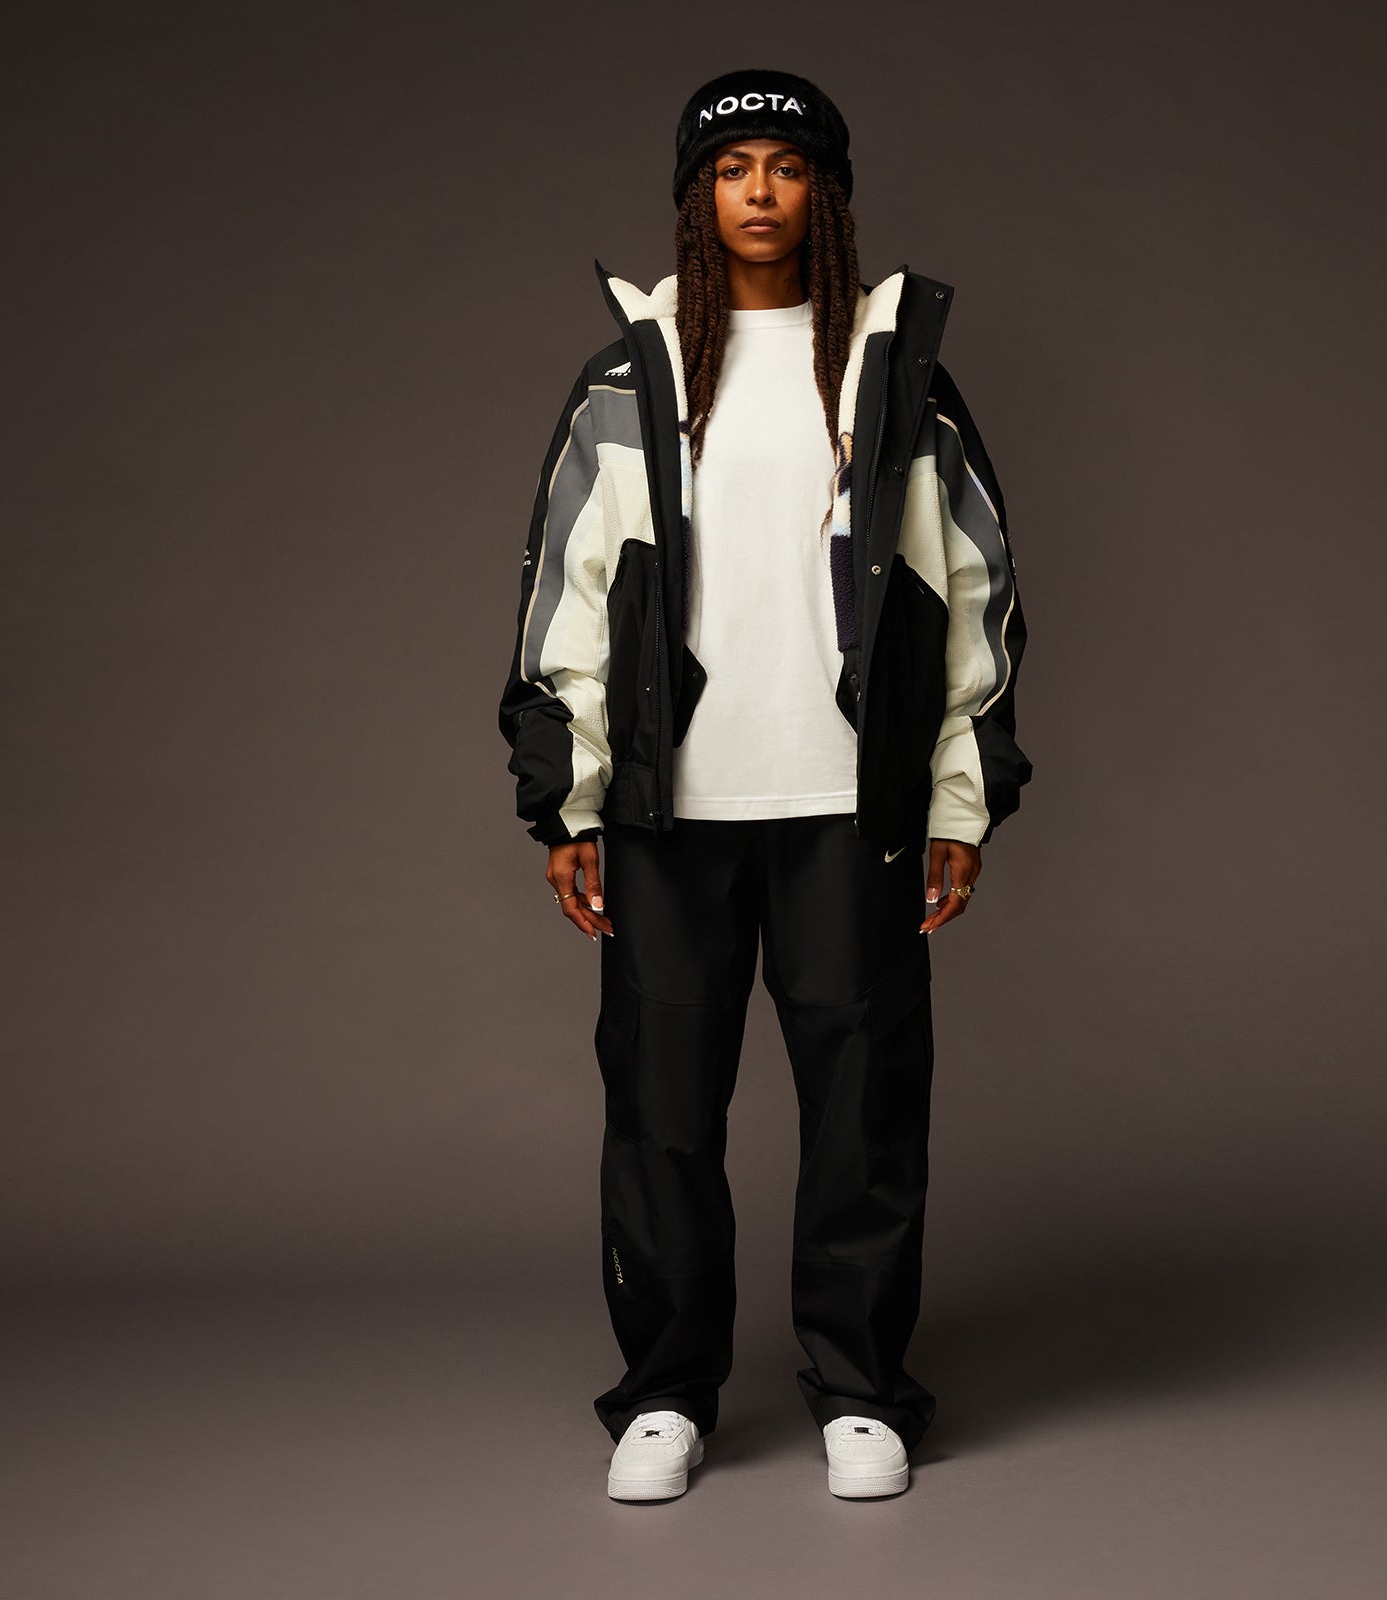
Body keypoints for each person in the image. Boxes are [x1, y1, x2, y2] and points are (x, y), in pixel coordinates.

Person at [499, 67, 1032, 1500]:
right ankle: (667, 1393)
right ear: (696, 196)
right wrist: (570, 800)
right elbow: (566, 602)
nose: (758, 192)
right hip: (667, 815)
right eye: (731, 169)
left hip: (852, 809)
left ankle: (860, 1390)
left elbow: (974, 598)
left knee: (864, 1113)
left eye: (787, 168)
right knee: (661, 1116)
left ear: (825, 195)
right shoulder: (629, 382)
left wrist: (957, 800)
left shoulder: (896, 376)